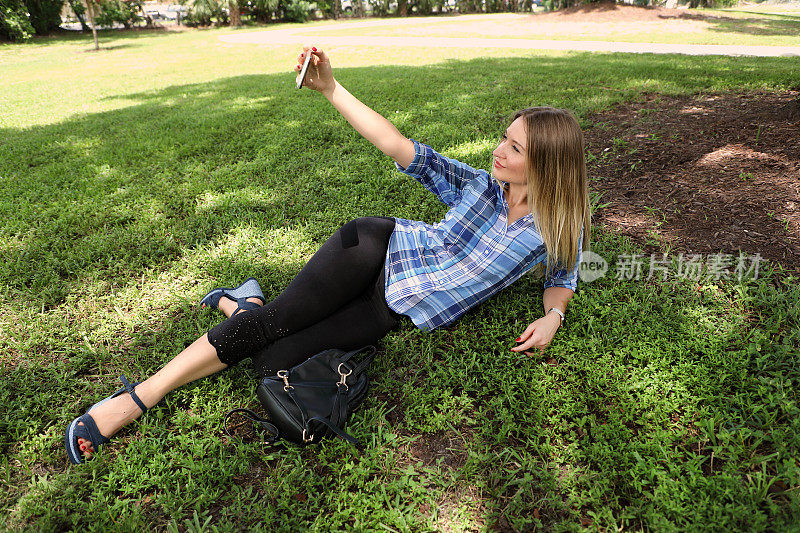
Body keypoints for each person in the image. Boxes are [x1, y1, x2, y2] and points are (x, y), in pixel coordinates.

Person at [65, 45, 590, 464]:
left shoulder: (558, 228)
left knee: (272, 361)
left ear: (546, 163)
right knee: (274, 324)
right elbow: (397, 144)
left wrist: (553, 316)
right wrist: (332, 88)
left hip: (393, 307)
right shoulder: (480, 186)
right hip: (373, 249)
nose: (498, 149)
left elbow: (562, 274)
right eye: (504, 138)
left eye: (514, 148)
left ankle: (240, 304)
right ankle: (133, 401)